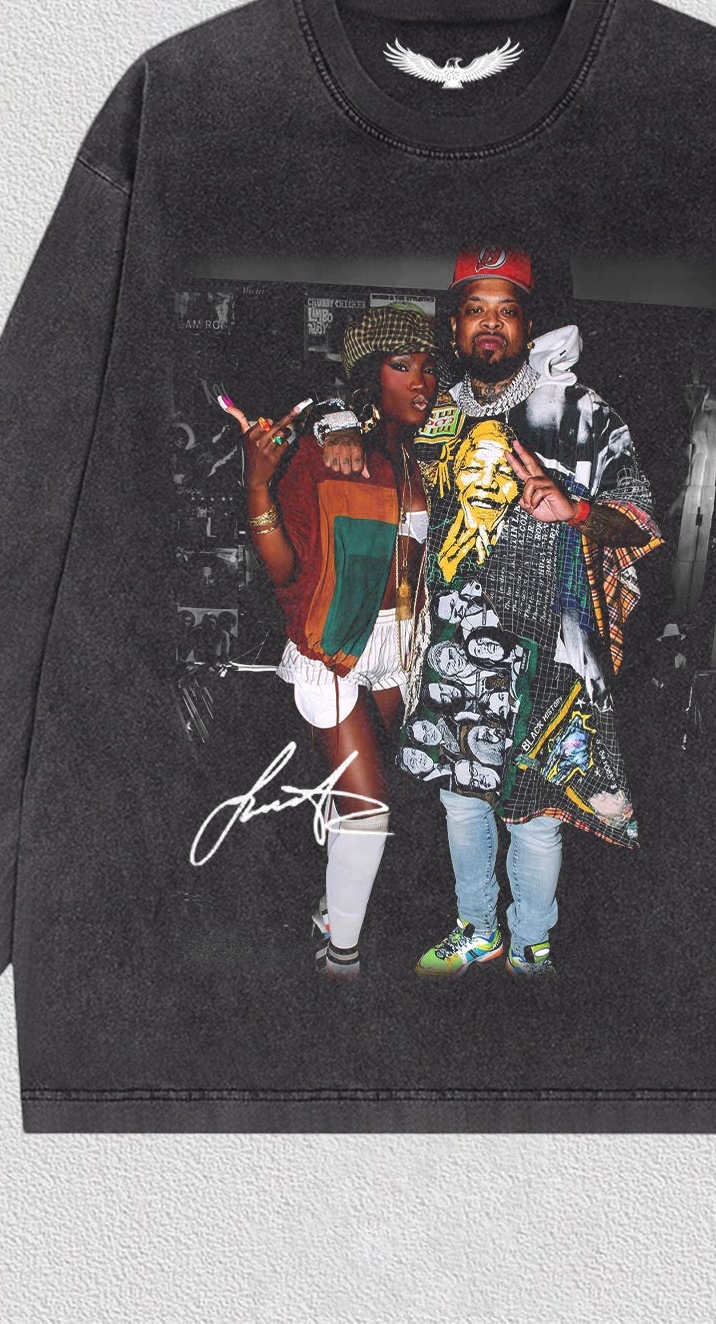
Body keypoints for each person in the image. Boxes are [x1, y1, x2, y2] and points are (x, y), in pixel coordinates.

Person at [321, 247, 663, 980]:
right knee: (461, 803)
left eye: (507, 311)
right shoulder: (436, 408)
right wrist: (338, 424)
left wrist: (576, 510)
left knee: (533, 818)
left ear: (527, 325)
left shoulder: (579, 410)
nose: (490, 325)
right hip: (453, 647)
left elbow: (637, 519)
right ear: (454, 326)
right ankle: (476, 928)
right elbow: (358, 397)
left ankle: (532, 942)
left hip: (543, 652)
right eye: (475, 309)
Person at [221, 304, 438, 978]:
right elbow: (285, 569)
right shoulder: (326, 453)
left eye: (429, 367)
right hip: (335, 647)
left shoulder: (423, 453)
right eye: (402, 366)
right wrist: (258, 480)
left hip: (402, 648)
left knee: (403, 789)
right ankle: (339, 953)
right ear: (369, 379)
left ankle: (335, 905)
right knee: (368, 810)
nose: (422, 381)